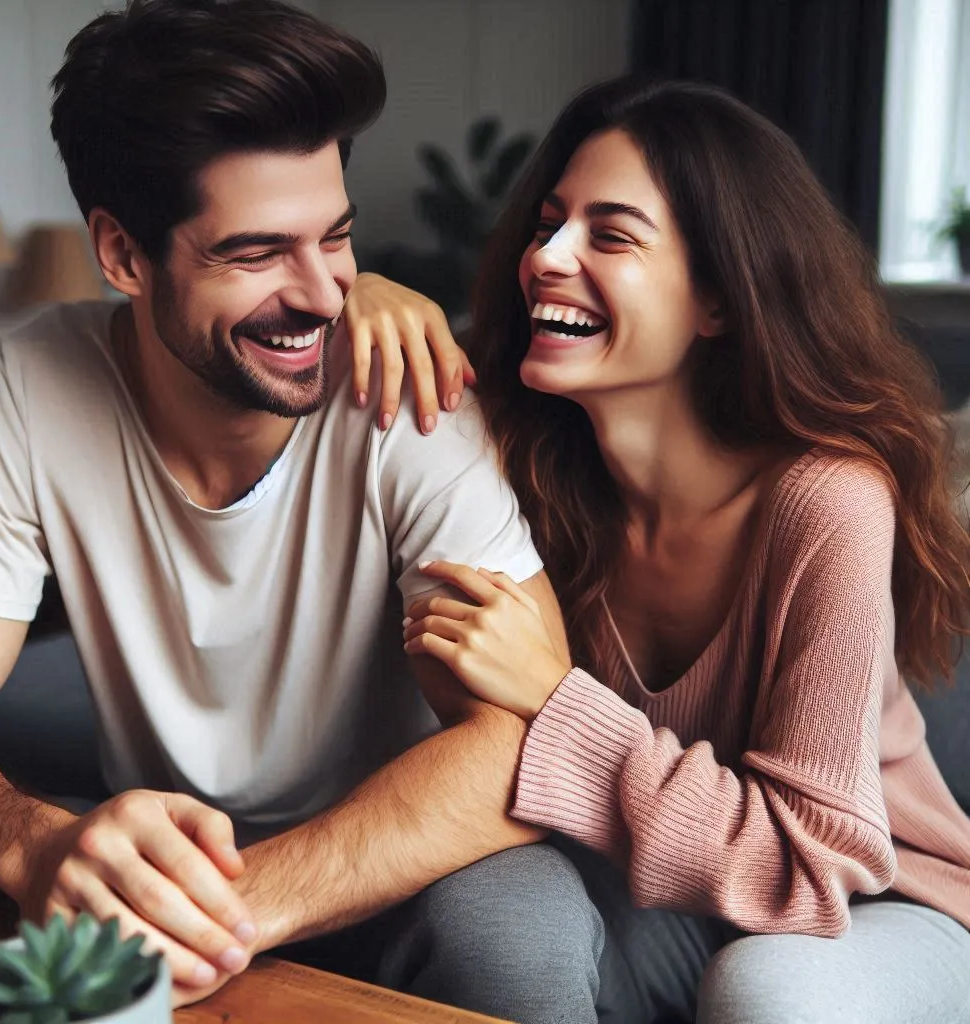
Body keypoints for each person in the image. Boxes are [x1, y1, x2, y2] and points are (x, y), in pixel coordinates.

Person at [0, 3, 609, 1021]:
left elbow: (518, 738)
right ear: (123, 256)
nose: (321, 294)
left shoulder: (406, 391)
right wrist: (29, 842)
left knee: (528, 939)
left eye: (335, 238)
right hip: (183, 841)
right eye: (257, 253)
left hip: (407, 847)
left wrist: (238, 907)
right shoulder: (25, 386)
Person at [403, 76, 970, 1023]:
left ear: (718, 299)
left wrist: (554, 699)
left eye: (610, 235)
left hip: (879, 909)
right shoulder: (526, 470)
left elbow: (806, 870)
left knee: (766, 993)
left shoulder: (827, 501)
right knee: (492, 921)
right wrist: (369, 297)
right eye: (548, 225)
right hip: (671, 905)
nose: (547, 257)